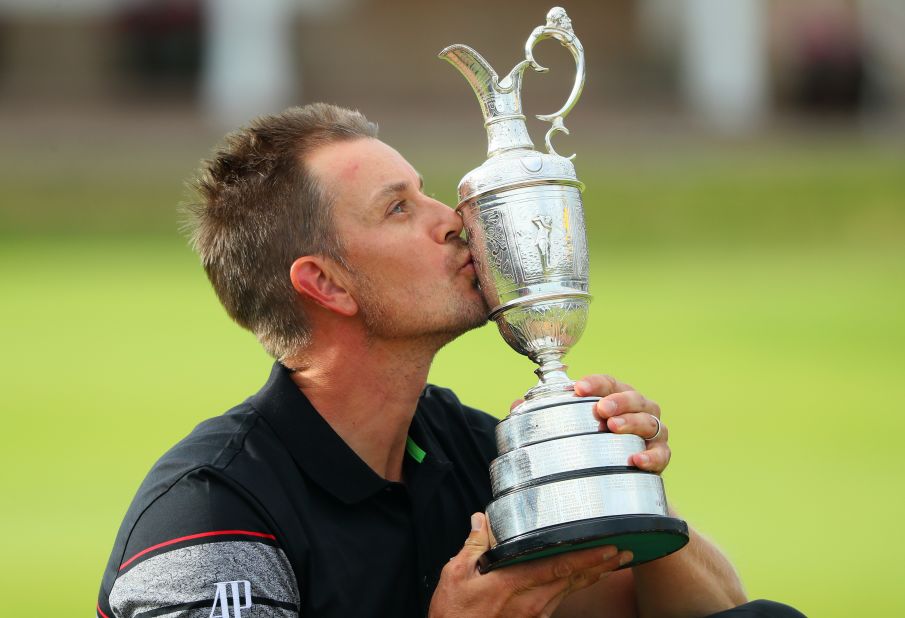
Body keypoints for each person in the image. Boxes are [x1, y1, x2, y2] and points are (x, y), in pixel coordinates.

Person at [97, 103, 802, 618]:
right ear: (326, 284)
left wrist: (616, 485)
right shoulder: (212, 513)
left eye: (425, 190)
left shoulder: (464, 447)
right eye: (399, 209)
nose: (454, 219)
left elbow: (703, 610)